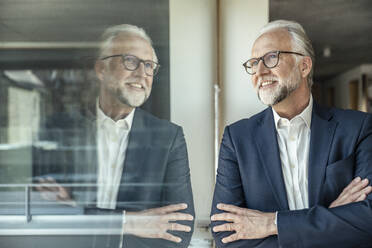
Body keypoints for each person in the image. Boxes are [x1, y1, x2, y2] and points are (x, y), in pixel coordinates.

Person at [210, 20, 372, 248]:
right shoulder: (237, 139)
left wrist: (272, 223)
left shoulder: (358, 128)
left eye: (271, 58)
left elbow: (367, 221)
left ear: (304, 66)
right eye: (254, 63)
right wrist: (328, 217)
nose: (259, 71)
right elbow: (224, 235)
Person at [35, 24, 194, 248]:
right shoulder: (59, 130)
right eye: (130, 61)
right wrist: (128, 222)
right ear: (102, 69)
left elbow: (180, 229)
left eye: (149, 65)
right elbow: (46, 215)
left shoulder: (168, 138)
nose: (142, 74)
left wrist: (83, 213)